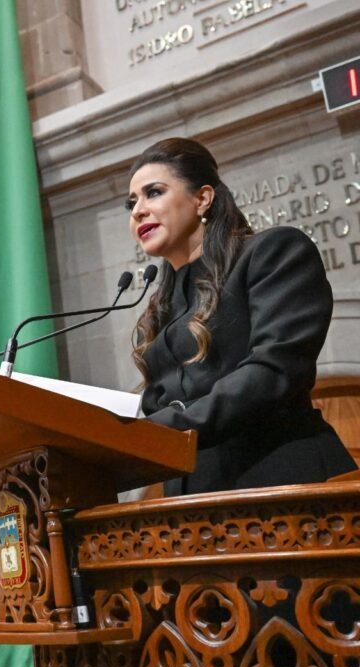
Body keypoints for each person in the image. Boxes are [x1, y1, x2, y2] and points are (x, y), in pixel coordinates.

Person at [127, 137, 357, 495]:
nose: (138, 210)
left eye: (153, 192)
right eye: (132, 202)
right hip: (188, 507)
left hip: (281, 485)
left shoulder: (272, 252)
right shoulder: (162, 304)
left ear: (202, 198)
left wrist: (154, 432)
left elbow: (273, 371)